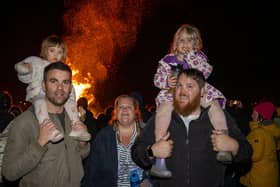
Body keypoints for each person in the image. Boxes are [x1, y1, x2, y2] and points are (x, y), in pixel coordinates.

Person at [132, 68, 252, 187]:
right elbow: (136, 152)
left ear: (202, 91)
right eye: (179, 85)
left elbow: (247, 152)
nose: (182, 91)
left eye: (189, 86)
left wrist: (233, 146)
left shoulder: (219, 118)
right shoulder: (161, 118)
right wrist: (151, 151)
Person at [152, 23, 230, 177]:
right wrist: (166, 81)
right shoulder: (167, 60)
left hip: (197, 91)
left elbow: (206, 72)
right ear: (176, 43)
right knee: (163, 111)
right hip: (174, 93)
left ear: (196, 44)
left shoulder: (199, 58)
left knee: (214, 106)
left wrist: (191, 57)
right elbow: (156, 78)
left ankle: (224, 144)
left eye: (189, 41)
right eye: (181, 40)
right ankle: (160, 158)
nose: (185, 44)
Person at [2, 62, 90, 187]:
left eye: (65, 82)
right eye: (54, 81)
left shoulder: (73, 118)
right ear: (44, 86)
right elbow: (9, 173)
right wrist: (39, 144)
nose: (60, 88)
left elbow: (79, 156)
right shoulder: (25, 121)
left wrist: (83, 144)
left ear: (71, 87)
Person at [14, 34, 91, 142]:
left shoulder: (62, 69)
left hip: (61, 97)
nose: (56, 55)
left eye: (59, 52)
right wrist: (23, 68)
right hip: (39, 93)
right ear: (45, 51)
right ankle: (49, 129)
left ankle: (76, 125)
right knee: (41, 105)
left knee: (70, 104)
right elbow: (27, 68)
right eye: (52, 51)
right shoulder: (38, 63)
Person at [82, 94, 151, 187]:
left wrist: (148, 182)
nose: (125, 110)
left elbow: (157, 168)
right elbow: (92, 171)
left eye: (129, 107)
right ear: (116, 112)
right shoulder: (104, 137)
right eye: (121, 107)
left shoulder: (146, 136)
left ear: (135, 112)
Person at [240, 101, 280, 187]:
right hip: (270, 175)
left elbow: (254, 155)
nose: (251, 116)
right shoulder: (272, 130)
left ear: (261, 117)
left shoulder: (259, 133)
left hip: (259, 178)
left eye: (254, 114)